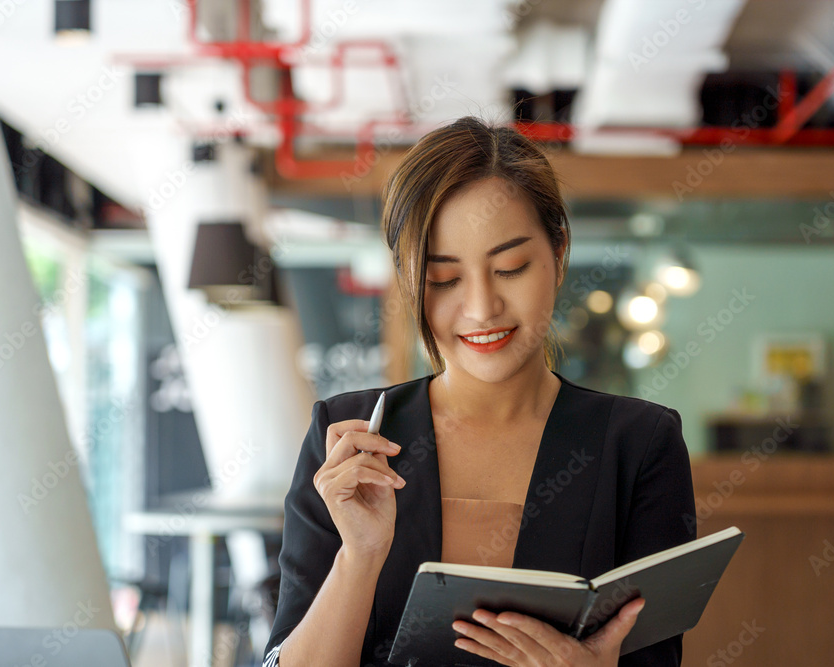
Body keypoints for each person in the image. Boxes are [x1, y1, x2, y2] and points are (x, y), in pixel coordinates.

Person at [263, 115, 696, 667]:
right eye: (444, 279)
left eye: (511, 268)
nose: (481, 308)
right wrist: (359, 557)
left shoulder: (638, 445)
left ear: (559, 252)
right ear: (409, 279)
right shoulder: (352, 440)